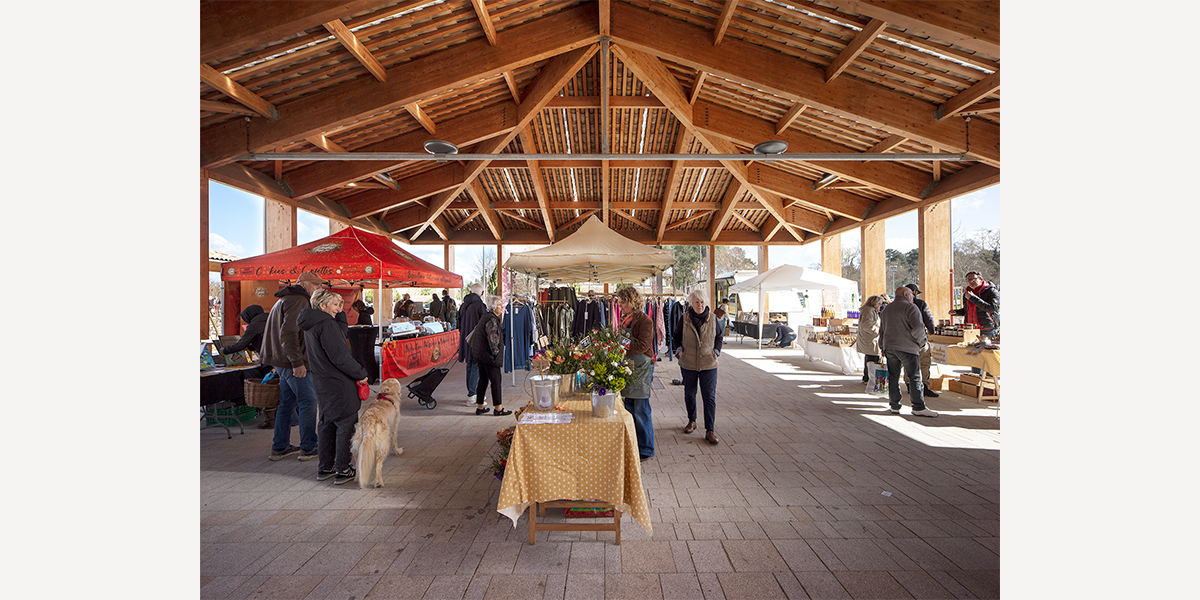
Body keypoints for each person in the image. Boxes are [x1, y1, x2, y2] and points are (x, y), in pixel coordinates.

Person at [298, 289, 369, 485]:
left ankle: (326, 467)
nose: (340, 308)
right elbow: (340, 357)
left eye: (341, 305)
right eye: (336, 305)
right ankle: (343, 469)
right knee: (345, 425)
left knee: (327, 423)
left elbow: (339, 336)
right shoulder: (326, 324)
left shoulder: (313, 324)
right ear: (322, 306)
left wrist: (340, 317)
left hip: (323, 381)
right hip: (339, 383)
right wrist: (361, 373)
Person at [260, 271, 326, 461]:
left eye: (320, 285)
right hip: (291, 363)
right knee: (308, 402)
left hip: (282, 361)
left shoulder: (286, 298)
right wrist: (297, 363)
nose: (319, 288)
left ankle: (280, 447)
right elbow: (288, 334)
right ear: (304, 284)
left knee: (287, 403)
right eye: (315, 285)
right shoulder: (299, 300)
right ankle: (308, 447)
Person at [672, 289, 723, 445]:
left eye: (702, 302)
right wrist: (679, 351)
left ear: (705, 303)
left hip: (709, 363)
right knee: (690, 393)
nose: (700, 305)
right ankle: (692, 421)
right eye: (696, 302)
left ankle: (710, 430)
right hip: (689, 363)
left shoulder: (713, 318)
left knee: (709, 397)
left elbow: (719, 336)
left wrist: (716, 351)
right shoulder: (685, 318)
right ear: (691, 304)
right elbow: (676, 336)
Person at [879, 286, 938, 417]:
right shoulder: (911, 307)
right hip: (907, 347)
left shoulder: (887, 308)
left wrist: (882, 346)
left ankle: (894, 405)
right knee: (915, 377)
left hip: (890, 347)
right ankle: (918, 407)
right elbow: (918, 327)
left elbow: (882, 329)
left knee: (893, 377)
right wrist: (922, 343)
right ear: (906, 294)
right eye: (912, 294)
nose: (913, 297)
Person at [216, 304, 273, 428]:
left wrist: (224, 350)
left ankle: (271, 420)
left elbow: (240, 345)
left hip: (269, 360)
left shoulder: (254, 325)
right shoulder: (271, 318)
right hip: (280, 359)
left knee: (269, 390)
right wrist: (252, 346)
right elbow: (264, 340)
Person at [616, 286, 656, 461]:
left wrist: (622, 350)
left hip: (641, 366)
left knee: (641, 408)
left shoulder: (644, 320)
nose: (620, 305)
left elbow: (644, 345)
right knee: (630, 407)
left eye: (622, 302)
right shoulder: (626, 319)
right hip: (631, 365)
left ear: (631, 301)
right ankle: (634, 445)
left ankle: (646, 449)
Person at [469, 294, 511, 416]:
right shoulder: (492, 319)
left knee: (483, 380)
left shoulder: (486, 317)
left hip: (480, 354)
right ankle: (498, 408)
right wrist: (496, 354)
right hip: (488, 356)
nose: (501, 306)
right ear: (493, 307)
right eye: (499, 304)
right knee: (496, 381)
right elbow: (493, 340)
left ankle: (480, 406)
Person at [904, 283, 939, 398]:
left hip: (904, 338)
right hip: (919, 337)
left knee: (908, 362)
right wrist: (932, 330)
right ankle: (924, 386)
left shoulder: (897, 305)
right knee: (924, 362)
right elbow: (928, 318)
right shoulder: (920, 304)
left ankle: (909, 385)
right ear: (914, 291)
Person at [457, 283, 487, 407]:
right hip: (476, 341)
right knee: (476, 366)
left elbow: (458, 323)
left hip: (465, 340)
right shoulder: (480, 306)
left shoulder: (463, 305)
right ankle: (473, 394)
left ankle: (471, 392)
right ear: (482, 293)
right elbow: (485, 324)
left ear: (470, 292)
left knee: (470, 366)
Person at [949, 271, 1000, 340]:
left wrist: (973, 298)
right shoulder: (967, 293)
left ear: (981, 279)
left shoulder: (991, 291)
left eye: (974, 279)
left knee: (987, 350)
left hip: (986, 329)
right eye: (969, 280)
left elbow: (992, 308)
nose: (971, 281)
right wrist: (956, 312)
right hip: (970, 329)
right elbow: (966, 310)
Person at [855, 295, 885, 383]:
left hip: (869, 339)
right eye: (880, 304)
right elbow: (867, 325)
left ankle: (867, 377)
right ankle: (869, 378)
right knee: (872, 358)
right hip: (870, 339)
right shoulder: (869, 310)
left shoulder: (868, 310)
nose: (880, 306)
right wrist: (878, 331)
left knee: (870, 357)